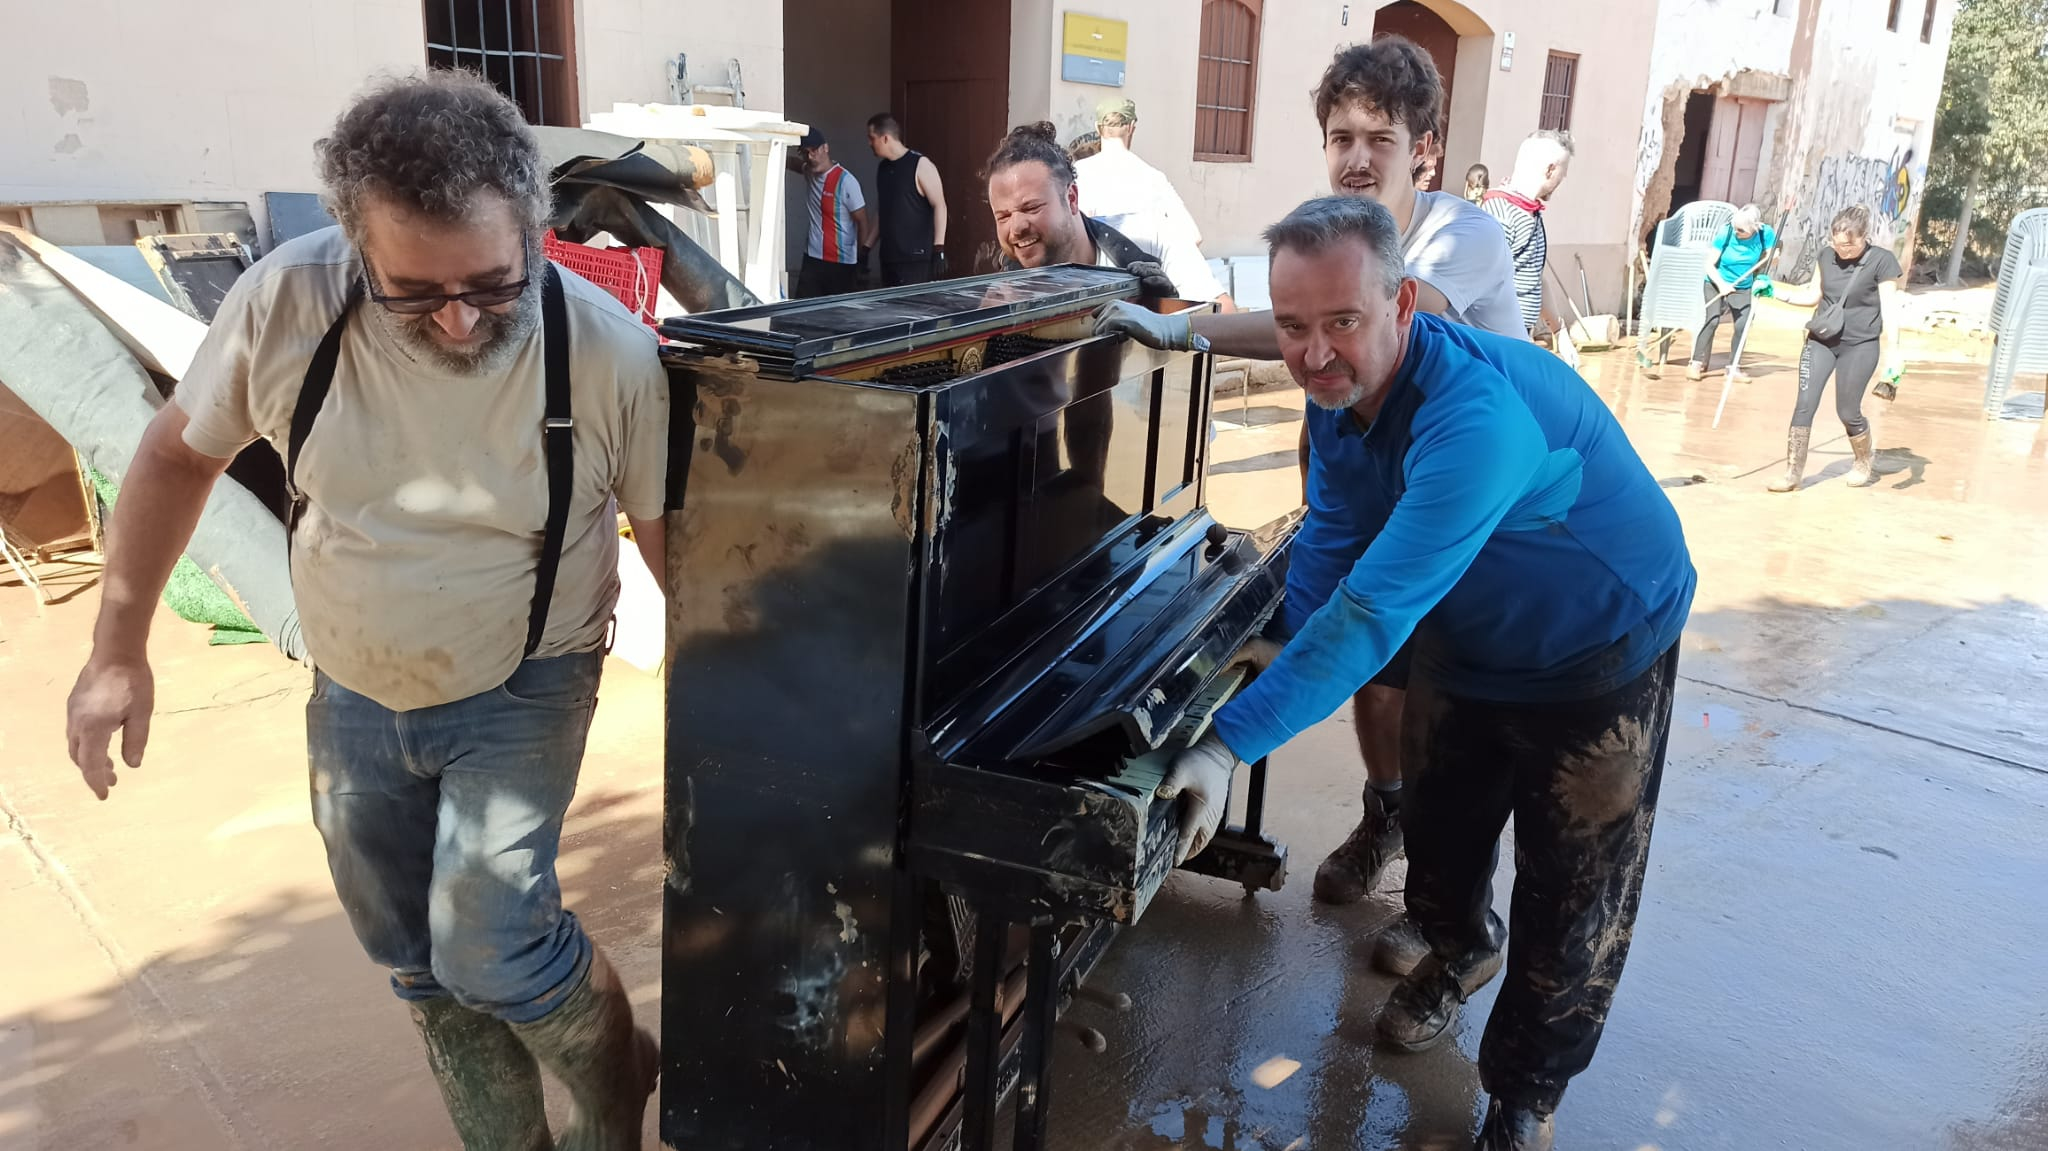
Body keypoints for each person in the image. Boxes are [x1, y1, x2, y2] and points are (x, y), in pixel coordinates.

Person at [62, 72, 669, 1151]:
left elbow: (670, 537)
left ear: (536, 226)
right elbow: (172, 456)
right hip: (351, 679)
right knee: (415, 959)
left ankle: (615, 1087)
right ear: (353, 245)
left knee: (492, 944)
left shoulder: (609, 351)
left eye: (492, 282)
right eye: (413, 290)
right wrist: (117, 650)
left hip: (526, 674)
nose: (455, 318)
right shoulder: (286, 304)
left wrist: (744, 710)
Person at [1156, 195, 1694, 1151]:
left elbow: (1370, 616)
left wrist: (1227, 743)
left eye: (1341, 322)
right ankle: (1458, 948)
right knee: (1438, 834)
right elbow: (1331, 538)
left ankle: (1524, 1094)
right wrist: (1270, 645)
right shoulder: (1336, 397)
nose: (1314, 353)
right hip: (1468, 635)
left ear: (1403, 303)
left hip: (1598, 644)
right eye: (1291, 327)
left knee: (1573, 889)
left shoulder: (1472, 421)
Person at [1096, 38, 1524, 952]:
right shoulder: (1332, 231)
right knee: (1372, 674)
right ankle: (1387, 817)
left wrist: (1183, 329)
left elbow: (1388, 325)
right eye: (1341, 135)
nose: (1359, 155)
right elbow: (1325, 346)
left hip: (1472, 503)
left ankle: (1450, 917)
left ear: (1428, 150)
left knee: (1453, 705)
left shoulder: (1462, 237)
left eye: (1382, 135)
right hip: (1369, 467)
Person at [1766, 204, 1904, 492]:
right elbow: (1813, 295)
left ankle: (1863, 460)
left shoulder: (1882, 261)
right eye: (1837, 244)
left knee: (1847, 410)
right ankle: (1793, 473)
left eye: (1849, 246)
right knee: (1804, 405)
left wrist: (1894, 352)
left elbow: (1890, 309)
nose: (1842, 251)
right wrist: (1774, 292)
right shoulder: (1826, 256)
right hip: (1822, 340)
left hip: (1860, 345)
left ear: (1864, 237)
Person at [983, 122, 1178, 298]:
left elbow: (1201, 327)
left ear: (1072, 198)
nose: (1016, 227)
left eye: (1031, 208)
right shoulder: (1001, 297)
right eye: (1003, 216)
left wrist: (1163, 311)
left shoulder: (1154, 245)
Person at [1074, 98, 1231, 306]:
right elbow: (1193, 236)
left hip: (1091, 295)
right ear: (1131, 128)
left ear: (1097, 128)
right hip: (1144, 298)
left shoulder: (1079, 173)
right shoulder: (1152, 177)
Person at [1480, 131, 1575, 339]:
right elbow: (1484, 283)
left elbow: (1535, 279)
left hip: (1519, 335)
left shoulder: (1530, 213)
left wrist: (1559, 332)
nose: (1563, 179)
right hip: (1498, 339)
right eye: (1563, 172)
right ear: (1551, 169)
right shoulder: (1501, 213)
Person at [1686, 203, 1778, 382]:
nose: (1737, 232)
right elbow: (1709, 264)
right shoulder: (1725, 232)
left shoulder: (1764, 233)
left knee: (1742, 325)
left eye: (1741, 230)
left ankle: (1733, 368)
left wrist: (1774, 257)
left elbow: (1772, 256)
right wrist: (1722, 285)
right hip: (1715, 281)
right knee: (1712, 320)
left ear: (1754, 226)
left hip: (1742, 284)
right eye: (1735, 228)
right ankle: (1695, 364)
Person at [865, 113, 949, 287]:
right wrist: (866, 248)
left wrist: (938, 249)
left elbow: (939, 205)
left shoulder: (920, 165)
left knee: (914, 311)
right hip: (889, 258)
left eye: (872, 138)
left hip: (915, 259)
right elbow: (883, 211)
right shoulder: (883, 169)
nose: (869, 143)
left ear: (885, 138)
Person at [793, 128, 875, 298]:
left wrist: (862, 260)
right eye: (805, 153)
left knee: (839, 318)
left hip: (841, 263)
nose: (810, 156)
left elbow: (862, 221)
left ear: (825, 148)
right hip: (812, 259)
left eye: (814, 150)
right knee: (801, 315)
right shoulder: (809, 171)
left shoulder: (847, 182)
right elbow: (792, 163)